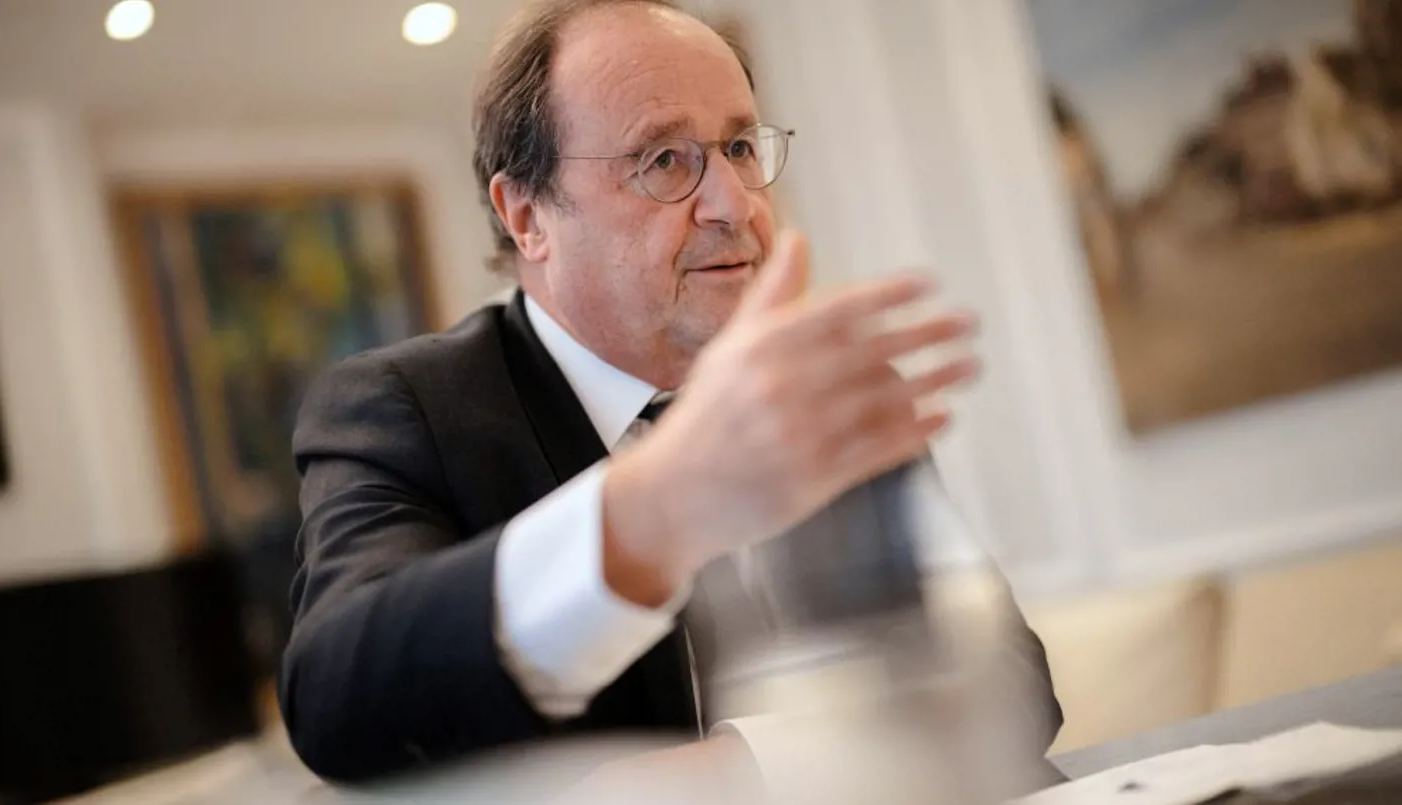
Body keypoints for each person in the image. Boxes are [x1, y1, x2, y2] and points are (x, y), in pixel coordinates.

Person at [280, 0, 1062, 790]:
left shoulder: (811, 384)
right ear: (527, 216)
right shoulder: (405, 407)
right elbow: (338, 702)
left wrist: (746, 770)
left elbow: (1011, 681)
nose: (736, 204)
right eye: (662, 160)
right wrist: (655, 504)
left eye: (738, 147)